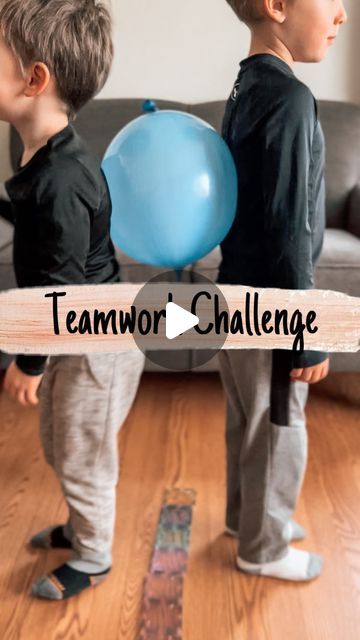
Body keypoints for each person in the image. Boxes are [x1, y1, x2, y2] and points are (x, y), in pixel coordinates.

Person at [1, 0, 145, 599]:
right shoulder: (36, 147)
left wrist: (30, 361)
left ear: (34, 80)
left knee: (84, 454)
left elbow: (59, 291)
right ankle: (80, 525)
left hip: (93, 343)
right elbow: (40, 229)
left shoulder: (61, 178)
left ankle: (94, 554)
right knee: (60, 442)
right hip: (76, 332)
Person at [218, 0, 347, 581]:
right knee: (278, 426)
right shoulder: (290, 98)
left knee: (247, 415)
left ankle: (245, 515)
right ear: (276, 6)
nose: (343, 13)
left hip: (233, 293)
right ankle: (262, 547)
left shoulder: (246, 86)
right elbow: (289, 222)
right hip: (271, 307)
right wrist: (307, 332)